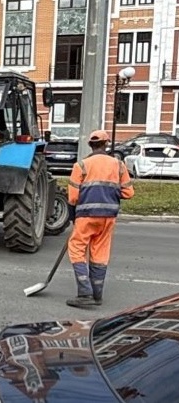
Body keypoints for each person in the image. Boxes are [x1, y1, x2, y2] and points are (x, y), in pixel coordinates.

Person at [65, 130, 134, 308]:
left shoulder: (81, 166)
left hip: (86, 216)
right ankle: (97, 295)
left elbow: (72, 198)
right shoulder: (119, 165)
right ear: (106, 144)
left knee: (76, 249)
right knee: (100, 253)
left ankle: (85, 292)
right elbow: (129, 193)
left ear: (90, 145)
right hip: (108, 217)